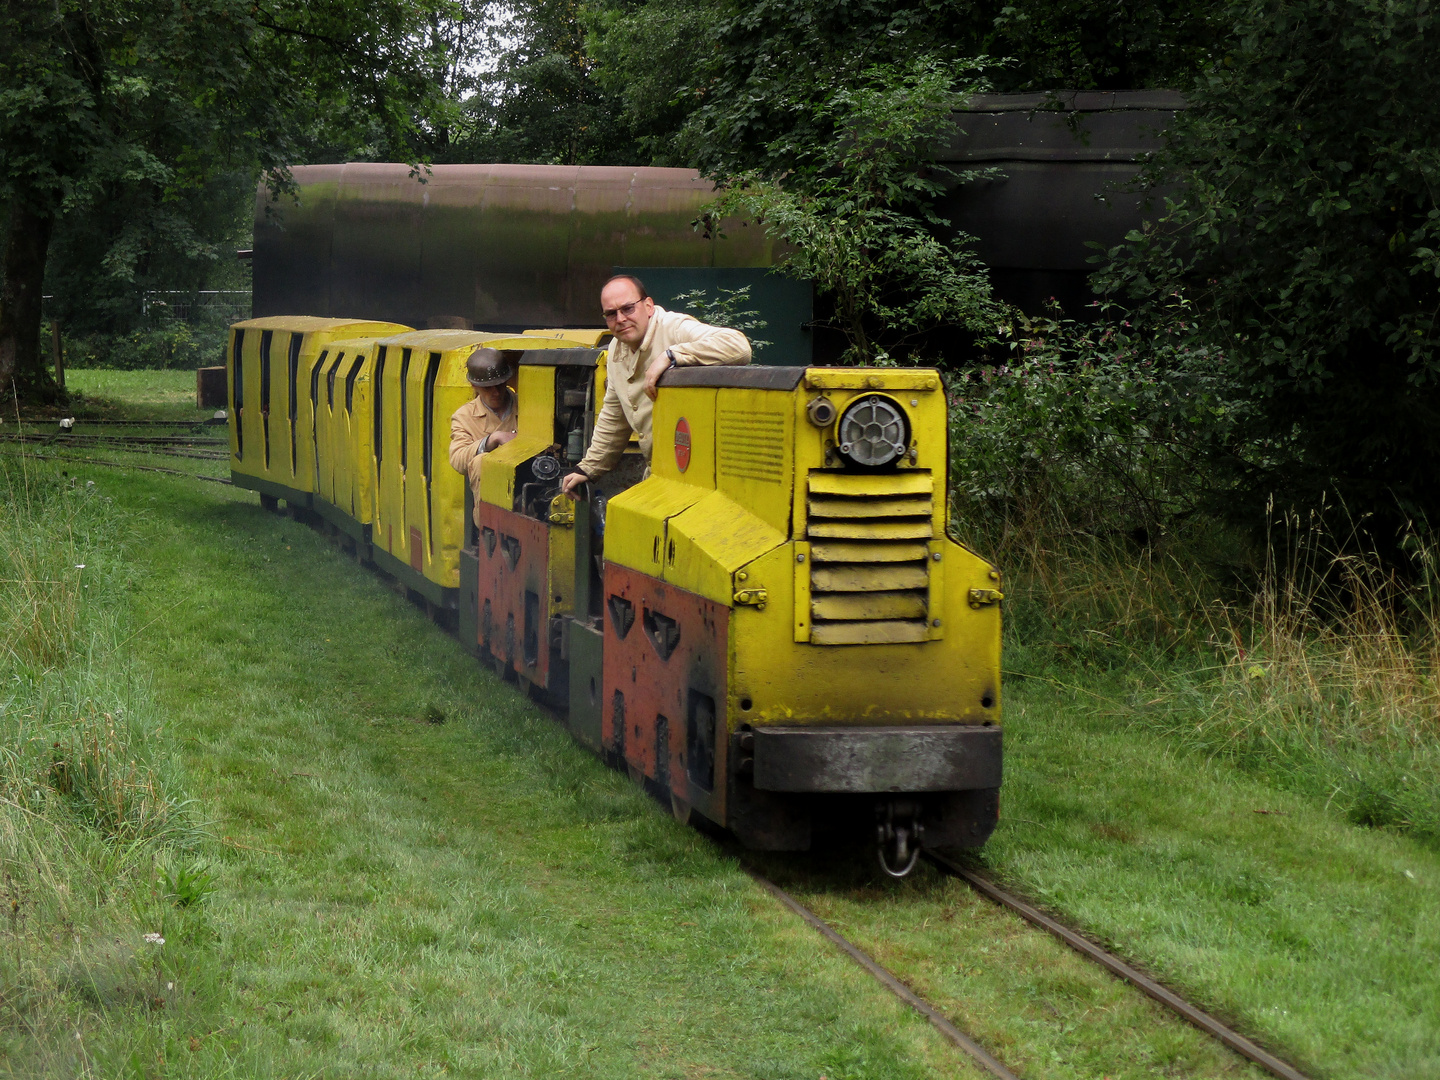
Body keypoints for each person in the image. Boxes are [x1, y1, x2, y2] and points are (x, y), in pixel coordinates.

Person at [559, 275, 751, 496]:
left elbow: (738, 346)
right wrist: (588, 468)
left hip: (702, 480)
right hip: (660, 474)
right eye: (611, 313)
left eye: (628, 308)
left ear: (648, 306)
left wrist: (672, 355)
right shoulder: (615, 350)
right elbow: (614, 415)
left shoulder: (673, 328)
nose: (620, 319)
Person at [449, 348, 517, 525]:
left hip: (526, 490)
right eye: (488, 387)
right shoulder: (464, 416)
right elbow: (457, 459)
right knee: (482, 462)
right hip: (491, 506)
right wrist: (491, 440)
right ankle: (488, 526)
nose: (495, 392)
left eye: (500, 385)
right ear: (474, 386)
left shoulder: (529, 406)